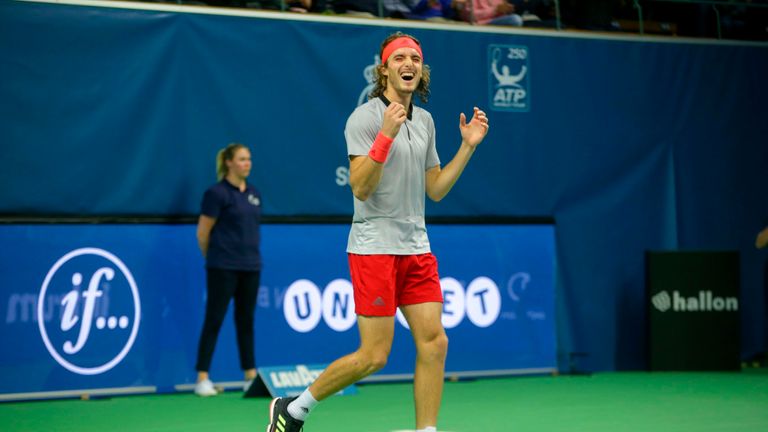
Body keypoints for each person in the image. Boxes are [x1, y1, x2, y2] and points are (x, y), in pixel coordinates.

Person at [266, 32, 489, 432]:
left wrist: (468, 146)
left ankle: (426, 430)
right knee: (374, 355)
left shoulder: (425, 121)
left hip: (417, 247)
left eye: (415, 59)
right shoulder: (364, 118)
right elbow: (360, 186)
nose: (409, 64)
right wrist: (385, 134)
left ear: (421, 71)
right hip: (374, 249)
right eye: (399, 57)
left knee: (435, 343)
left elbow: (435, 189)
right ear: (384, 69)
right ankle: (294, 408)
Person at [194, 143, 262, 397]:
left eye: (249, 159)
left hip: (251, 267)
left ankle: (250, 376)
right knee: (214, 319)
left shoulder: (254, 193)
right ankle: (202, 378)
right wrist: (214, 257)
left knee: (246, 321)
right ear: (229, 163)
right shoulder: (216, 194)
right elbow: (203, 233)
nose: (247, 163)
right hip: (222, 268)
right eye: (242, 159)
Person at [454, 0, 523, 26]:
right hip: (482, 24)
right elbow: (471, 16)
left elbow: (502, 12)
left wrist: (507, 10)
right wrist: (495, 10)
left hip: (499, 22)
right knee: (515, 19)